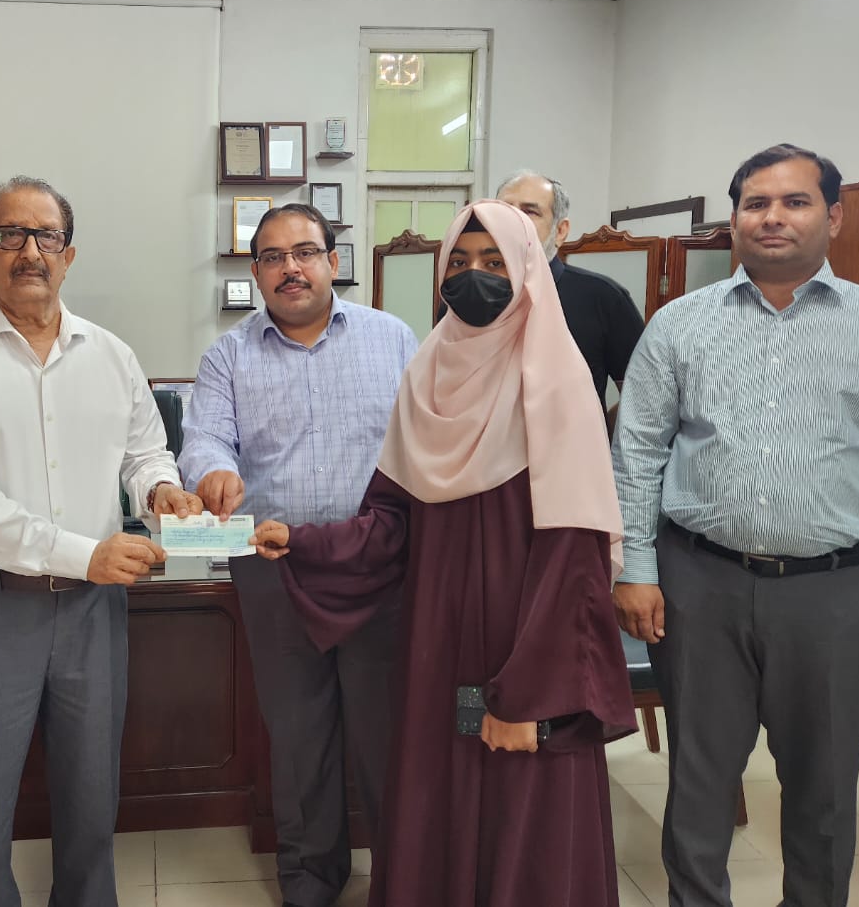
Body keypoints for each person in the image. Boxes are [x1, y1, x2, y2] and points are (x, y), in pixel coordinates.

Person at [252, 200, 635, 907]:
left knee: (519, 794)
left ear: (527, 269)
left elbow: (572, 561)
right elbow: (390, 524)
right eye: (457, 261)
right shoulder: (427, 375)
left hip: (523, 647)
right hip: (440, 645)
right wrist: (302, 541)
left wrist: (530, 695)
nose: (472, 276)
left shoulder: (554, 381)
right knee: (450, 788)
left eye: (493, 262)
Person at [0, 175, 201, 907]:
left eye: (48, 237)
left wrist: (159, 490)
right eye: (11, 234)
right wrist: (84, 553)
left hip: (94, 611)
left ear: (69, 254)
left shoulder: (111, 354)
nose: (30, 251)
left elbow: (144, 453)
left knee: (93, 791)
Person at [611, 143, 859, 907]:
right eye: (755, 203)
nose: (772, 217)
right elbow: (637, 452)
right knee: (699, 784)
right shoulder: (679, 324)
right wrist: (636, 569)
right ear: (733, 220)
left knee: (824, 790)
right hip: (699, 583)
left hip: (839, 590)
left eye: (795, 201)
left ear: (833, 216)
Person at [179, 203, 416, 907]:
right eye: (274, 257)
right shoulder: (227, 355)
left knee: (388, 734)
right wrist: (212, 471)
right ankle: (311, 880)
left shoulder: (393, 339)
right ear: (255, 272)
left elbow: (426, 444)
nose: (291, 268)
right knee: (298, 733)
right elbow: (205, 438)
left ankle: (404, 877)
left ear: (333, 262)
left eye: (305, 252)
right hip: (274, 568)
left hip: (377, 566)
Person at [497, 169, 644, 400]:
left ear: (560, 231)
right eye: (503, 211)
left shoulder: (603, 298)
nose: (514, 220)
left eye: (530, 211)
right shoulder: (464, 297)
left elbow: (642, 402)